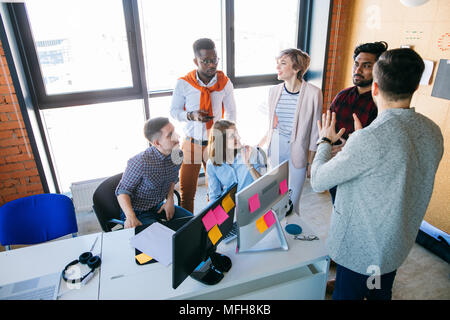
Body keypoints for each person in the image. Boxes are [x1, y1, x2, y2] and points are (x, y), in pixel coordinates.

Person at [310, 48, 444, 300]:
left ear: (375, 88)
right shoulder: (433, 131)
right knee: (379, 294)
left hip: (361, 250)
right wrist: (356, 146)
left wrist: (324, 142)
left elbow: (317, 181)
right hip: (395, 245)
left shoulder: (370, 138)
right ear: (415, 87)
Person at [170, 38, 237, 213]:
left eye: (214, 59)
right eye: (205, 61)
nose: (211, 64)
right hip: (191, 143)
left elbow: (231, 112)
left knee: (217, 190)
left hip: (215, 143)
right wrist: (190, 115)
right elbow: (174, 111)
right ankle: (188, 229)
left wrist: (226, 138)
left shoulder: (224, 82)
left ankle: (214, 226)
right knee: (187, 191)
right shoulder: (184, 83)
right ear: (196, 61)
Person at [258, 48, 322, 215]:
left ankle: (291, 228)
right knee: (275, 195)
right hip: (277, 147)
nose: (277, 67)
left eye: (283, 63)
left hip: (299, 150)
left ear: (296, 68)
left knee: (293, 199)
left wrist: (311, 161)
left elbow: (316, 130)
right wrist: (261, 145)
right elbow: (272, 125)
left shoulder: (314, 93)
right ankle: (276, 231)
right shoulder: (273, 91)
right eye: (277, 63)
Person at [328, 41, 388, 203]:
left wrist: (348, 148)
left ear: (378, 69)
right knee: (338, 206)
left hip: (362, 174)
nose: (358, 70)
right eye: (356, 64)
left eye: (366, 66)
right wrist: (327, 144)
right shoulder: (342, 95)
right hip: (336, 167)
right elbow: (328, 128)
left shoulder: (382, 103)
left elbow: (380, 145)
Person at [115, 117, 192, 229]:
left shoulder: (178, 155)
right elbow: (122, 192)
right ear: (157, 143)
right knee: (161, 241)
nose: (177, 136)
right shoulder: (141, 162)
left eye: (174, 131)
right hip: (137, 212)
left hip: (158, 206)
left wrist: (170, 199)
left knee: (195, 225)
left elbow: (172, 178)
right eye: (170, 135)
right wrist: (131, 216)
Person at [206, 120, 266, 202]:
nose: (238, 137)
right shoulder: (212, 164)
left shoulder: (250, 152)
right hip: (232, 206)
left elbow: (264, 185)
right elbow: (214, 195)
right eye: (232, 136)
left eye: (237, 133)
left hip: (254, 201)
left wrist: (249, 165)